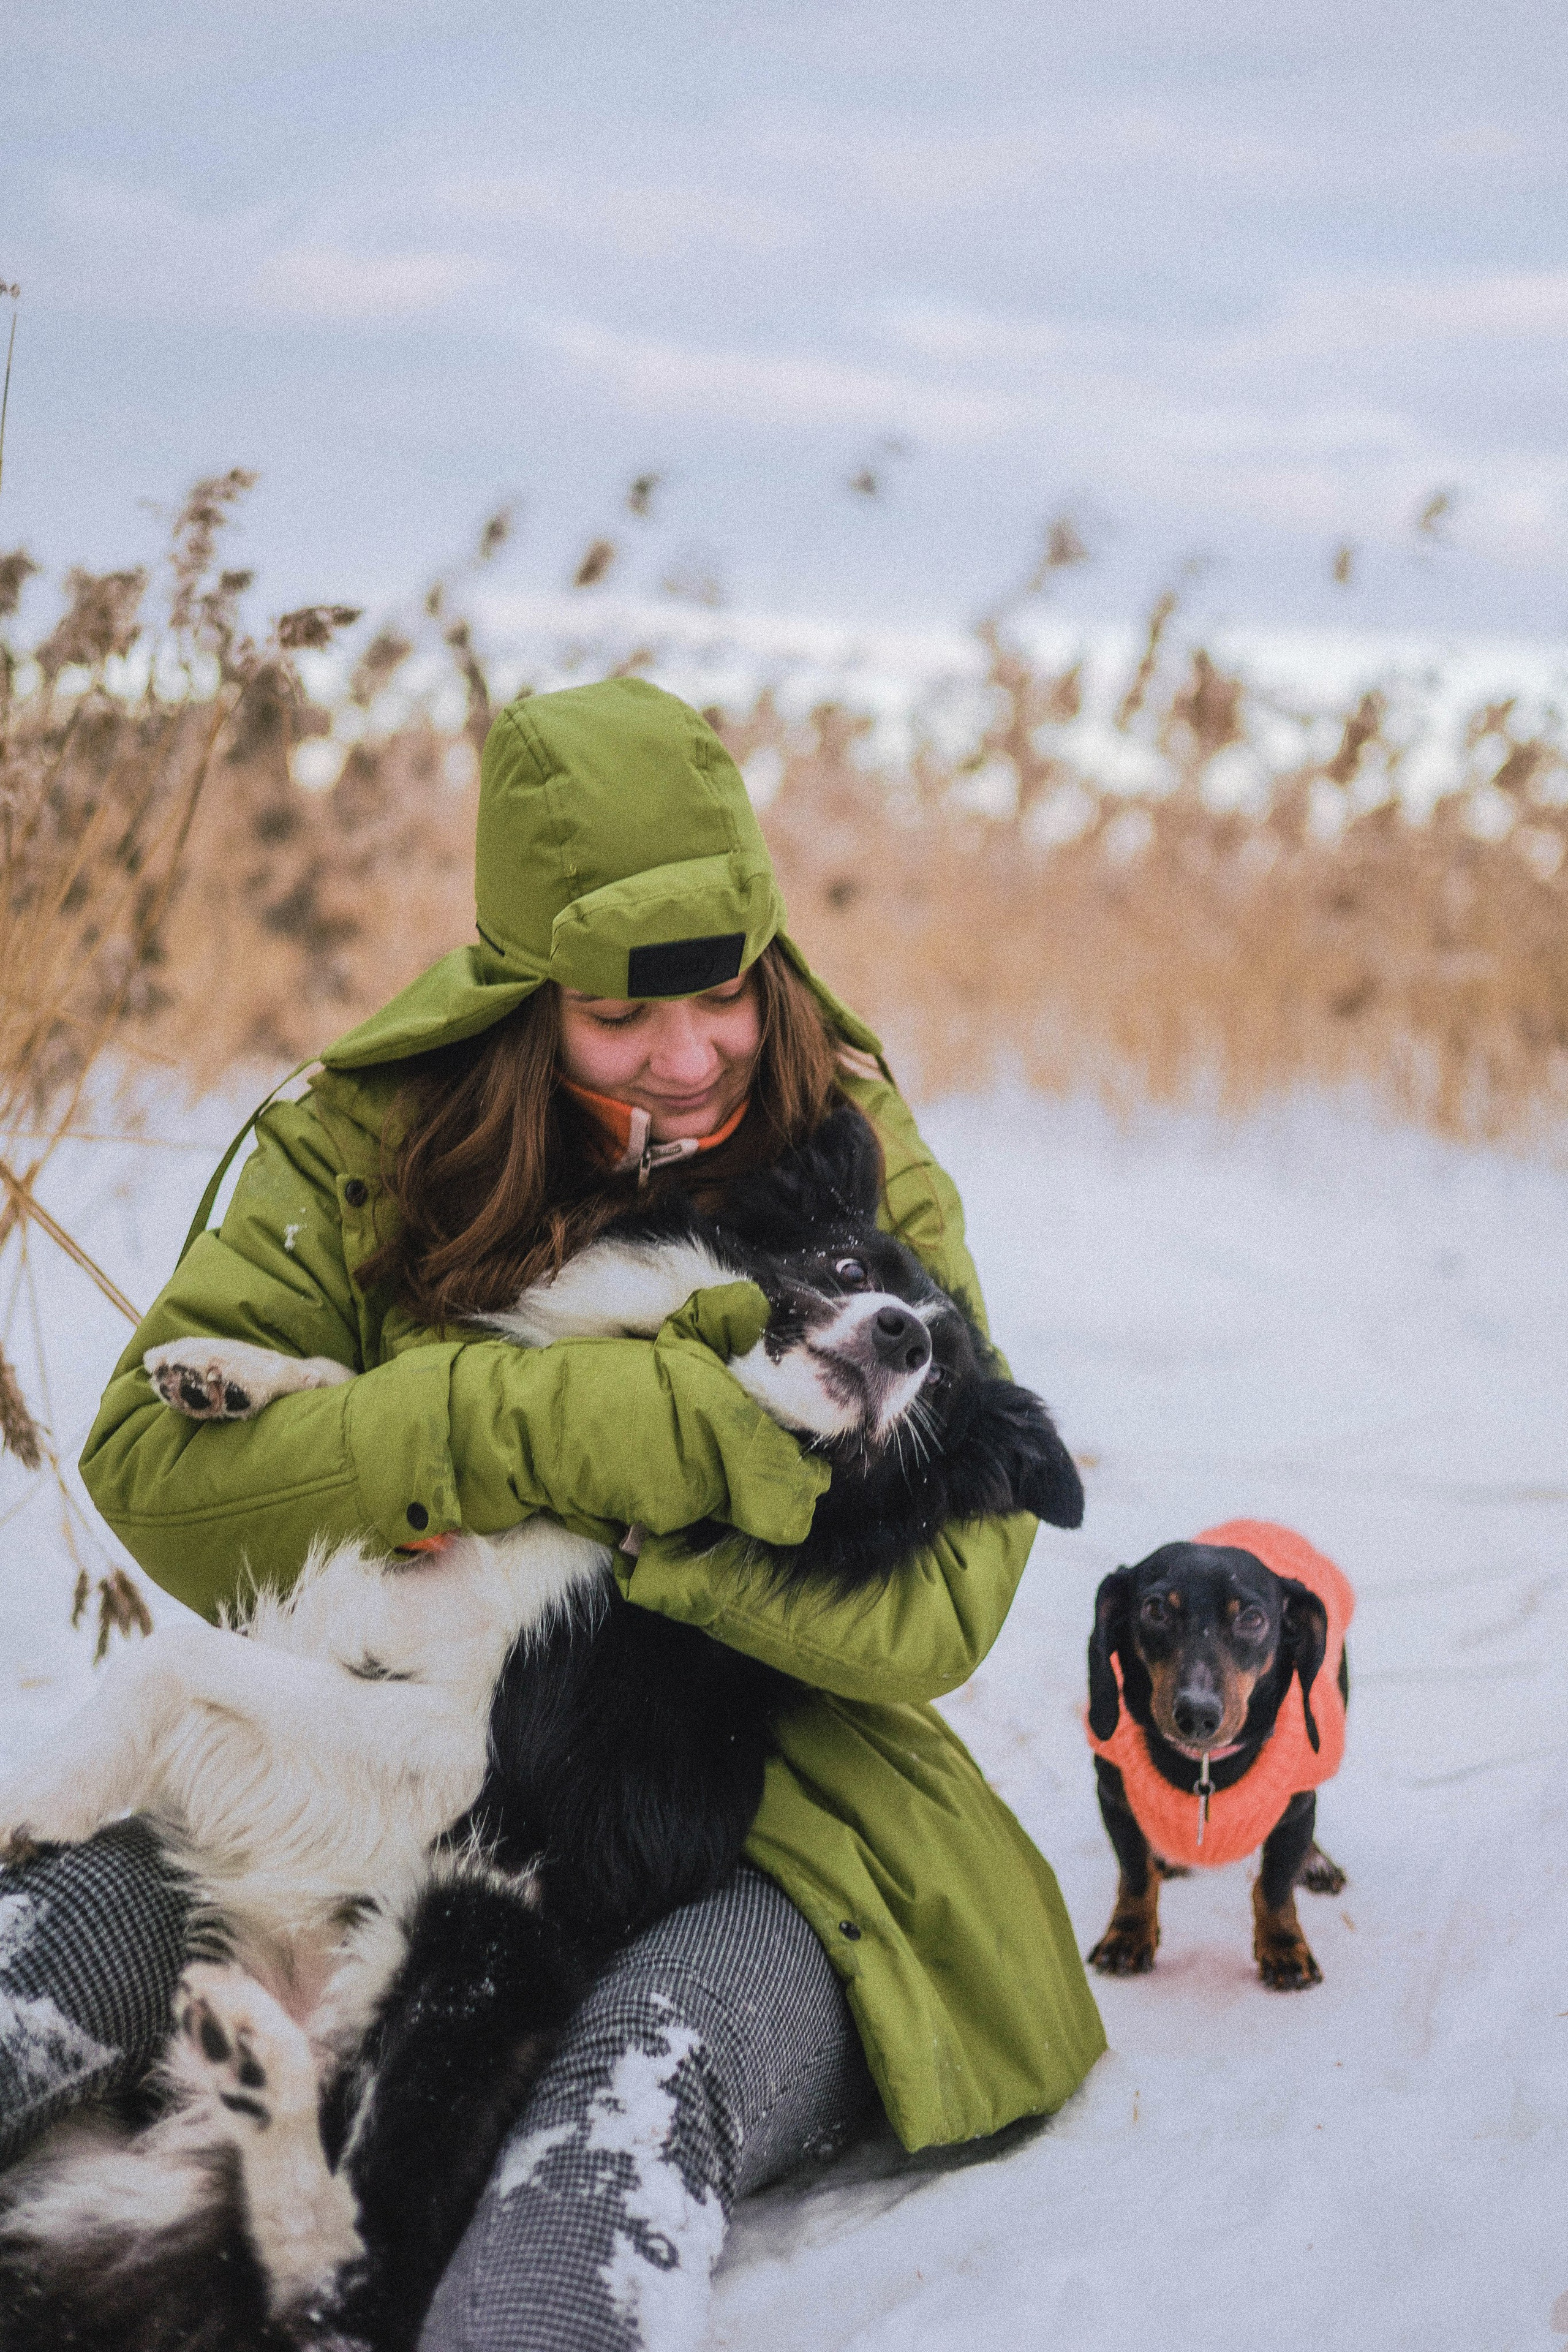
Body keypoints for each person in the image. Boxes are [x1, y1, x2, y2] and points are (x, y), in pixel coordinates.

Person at [2, 679, 1105, 2350]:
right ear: (526, 998)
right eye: (620, 1017)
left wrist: (670, 1527)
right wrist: (542, 1430)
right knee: (60, 1948)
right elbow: (162, 1475)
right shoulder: (364, 1135)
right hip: (359, 1747)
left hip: (750, 1822)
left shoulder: (846, 1151)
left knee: (602, 2147)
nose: (691, 1055)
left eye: (724, 994)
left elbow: (948, 1599)